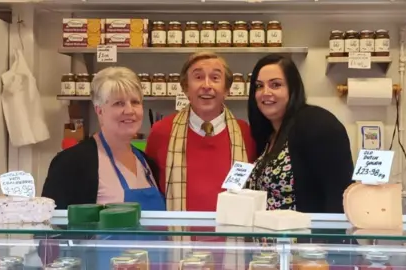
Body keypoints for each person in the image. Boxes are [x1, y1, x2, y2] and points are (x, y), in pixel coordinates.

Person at [42, 66, 165, 211]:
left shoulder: (147, 163)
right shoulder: (71, 163)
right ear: (99, 110)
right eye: (118, 103)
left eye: (135, 102)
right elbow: (53, 227)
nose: (130, 110)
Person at [145, 51, 256, 212]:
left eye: (215, 78)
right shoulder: (161, 132)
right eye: (198, 77)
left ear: (226, 89)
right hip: (176, 235)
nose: (206, 86)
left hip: (232, 234)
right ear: (185, 87)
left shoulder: (246, 133)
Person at [247, 54, 353, 213]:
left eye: (275, 85)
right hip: (270, 234)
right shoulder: (268, 135)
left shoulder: (316, 123)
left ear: (293, 88)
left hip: (303, 236)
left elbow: (339, 195)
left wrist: (331, 236)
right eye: (259, 86)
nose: (265, 92)